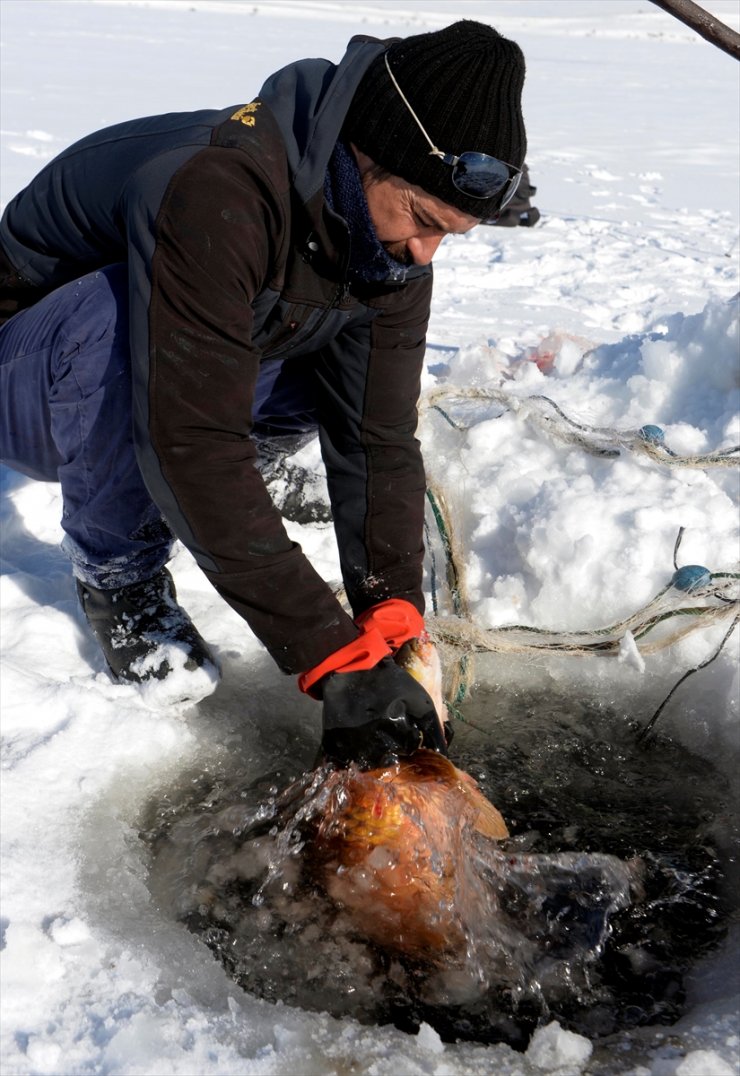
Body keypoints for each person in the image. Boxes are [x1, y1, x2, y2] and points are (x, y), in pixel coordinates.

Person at [0, 20, 527, 767]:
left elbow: (373, 434)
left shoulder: (389, 245)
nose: (426, 252)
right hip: (33, 374)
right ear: (367, 153)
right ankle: (120, 576)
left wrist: (390, 601)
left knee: (338, 354)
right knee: (120, 319)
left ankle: (252, 481)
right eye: (423, 219)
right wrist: (326, 654)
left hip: (187, 361)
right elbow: (187, 438)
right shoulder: (216, 188)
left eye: (453, 235)